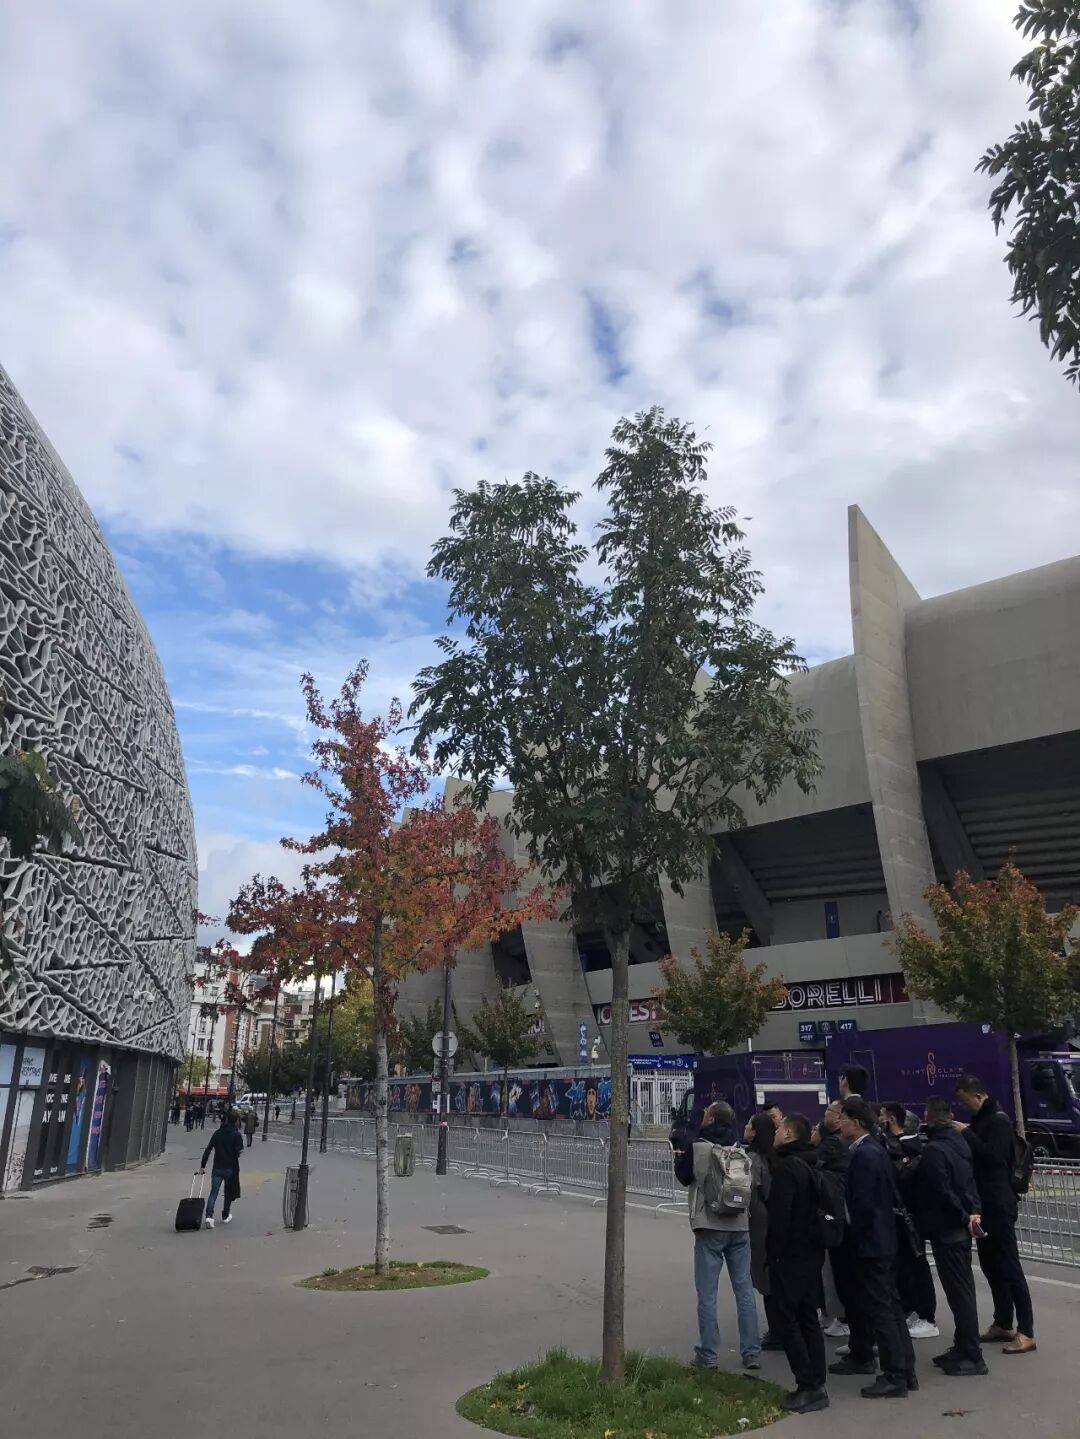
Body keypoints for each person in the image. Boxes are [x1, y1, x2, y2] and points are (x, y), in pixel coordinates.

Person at [834, 1097, 916, 1399]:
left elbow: (864, 1204)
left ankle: (894, 1374)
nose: (840, 1124)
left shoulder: (865, 1154)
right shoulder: (873, 1150)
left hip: (873, 1242)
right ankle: (905, 1369)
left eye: (844, 1119)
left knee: (882, 1309)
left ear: (857, 1123)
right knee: (890, 1305)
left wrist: (854, 1231)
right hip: (883, 1239)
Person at [674, 1100, 761, 1371]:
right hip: (739, 1224)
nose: (702, 1115)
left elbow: (683, 1176)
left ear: (711, 1119)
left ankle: (708, 1353)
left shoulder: (698, 1147)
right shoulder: (740, 1147)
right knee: (744, 1290)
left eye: (705, 1113)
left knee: (707, 1293)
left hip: (709, 1224)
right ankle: (751, 1352)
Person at [955, 1074, 1035, 1354]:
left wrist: (966, 1134)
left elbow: (993, 1158)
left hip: (999, 1203)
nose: (964, 1106)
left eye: (965, 1101)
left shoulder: (998, 1121)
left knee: (1009, 1266)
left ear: (978, 1096)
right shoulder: (981, 1121)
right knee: (991, 1265)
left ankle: (1027, 1330)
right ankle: (1003, 1321)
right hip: (984, 1204)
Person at [910, 1097, 986, 1376]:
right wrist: (972, 1213)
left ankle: (972, 1354)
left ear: (928, 1117)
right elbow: (967, 1182)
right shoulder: (959, 1143)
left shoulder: (934, 1150)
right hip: (961, 1226)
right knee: (962, 1290)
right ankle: (963, 1346)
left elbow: (941, 1190)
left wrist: (963, 1216)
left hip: (948, 1228)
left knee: (958, 1293)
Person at [766, 1112, 830, 1414]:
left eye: (779, 1128)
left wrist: (773, 1256)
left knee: (787, 1319)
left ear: (789, 1134)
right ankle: (817, 1381)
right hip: (811, 1253)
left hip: (791, 1256)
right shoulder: (809, 1162)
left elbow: (780, 1218)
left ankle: (807, 1384)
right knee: (807, 1317)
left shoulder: (787, 1168)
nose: (775, 1133)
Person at [878, 1102, 939, 1340]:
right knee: (904, 1267)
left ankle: (927, 1316)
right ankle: (911, 1309)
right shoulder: (894, 1145)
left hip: (911, 1216)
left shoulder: (910, 1146)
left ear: (892, 1119)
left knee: (917, 1265)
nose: (880, 1120)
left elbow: (904, 1178)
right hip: (898, 1215)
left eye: (883, 1116)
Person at [744, 1112, 782, 1350]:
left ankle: (776, 1331)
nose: (745, 1127)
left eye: (749, 1124)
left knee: (765, 1277)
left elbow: (749, 1191)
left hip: (760, 1223)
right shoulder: (775, 1156)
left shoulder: (753, 1159)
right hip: (775, 1220)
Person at [814, 1101, 851, 1341]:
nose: (825, 1114)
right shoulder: (839, 1141)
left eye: (829, 1111)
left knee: (837, 1270)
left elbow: (814, 1163)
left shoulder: (833, 1143)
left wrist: (815, 1141)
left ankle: (843, 1318)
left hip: (835, 1211)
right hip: (839, 1210)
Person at [199, 1113, 244, 1229]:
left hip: (217, 1167)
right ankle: (225, 1214)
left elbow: (208, 1149)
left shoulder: (217, 1133)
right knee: (228, 1192)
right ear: (236, 1121)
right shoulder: (236, 1134)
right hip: (231, 1168)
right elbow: (239, 1151)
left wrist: (202, 1166)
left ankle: (209, 1217)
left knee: (213, 1192)